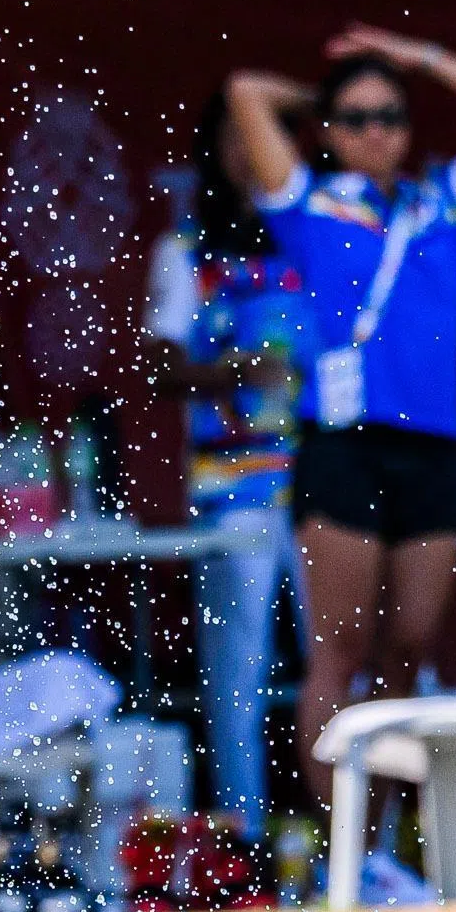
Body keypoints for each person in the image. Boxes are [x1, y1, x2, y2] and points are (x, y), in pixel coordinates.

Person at [222, 26, 456, 837]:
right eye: (358, 119)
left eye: (391, 117)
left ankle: (388, 845)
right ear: (331, 131)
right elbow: (246, 92)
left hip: (433, 449)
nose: (376, 132)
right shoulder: (306, 202)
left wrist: (421, 58)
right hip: (346, 446)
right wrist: (325, 97)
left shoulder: (442, 203)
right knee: (339, 649)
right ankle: (347, 848)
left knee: (407, 647)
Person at [143, 131, 317, 827]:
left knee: (340, 672)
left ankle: (362, 853)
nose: (259, 157)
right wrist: (238, 372)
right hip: (232, 492)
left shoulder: (316, 244)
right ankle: (243, 849)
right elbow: (161, 365)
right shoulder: (185, 250)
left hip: (321, 489)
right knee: (234, 687)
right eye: (245, 140)